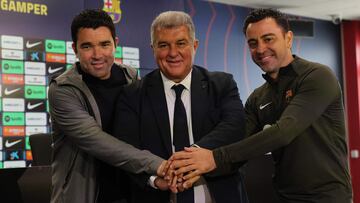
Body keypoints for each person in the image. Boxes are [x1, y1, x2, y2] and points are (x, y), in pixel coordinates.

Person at [170, 8, 353, 202]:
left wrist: (214, 158)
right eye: (253, 43)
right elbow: (237, 147)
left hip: (329, 198)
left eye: (268, 39)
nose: (260, 49)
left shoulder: (317, 76)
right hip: (284, 197)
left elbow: (283, 132)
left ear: (288, 38)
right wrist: (191, 169)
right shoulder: (258, 97)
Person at [113, 11, 248, 203]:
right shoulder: (132, 95)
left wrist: (189, 158)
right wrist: (155, 180)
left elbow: (234, 127)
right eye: (163, 45)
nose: (173, 53)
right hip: (156, 195)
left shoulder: (222, 84)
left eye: (181, 43)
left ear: (195, 45)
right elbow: (126, 151)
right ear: (153, 49)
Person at [48, 9, 168, 203]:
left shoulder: (131, 78)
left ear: (116, 44)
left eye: (104, 44)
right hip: (84, 194)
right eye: (87, 46)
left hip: (131, 190)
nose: (97, 55)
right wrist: (159, 165)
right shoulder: (62, 90)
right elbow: (98, 142)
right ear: (74, 49)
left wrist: (152, 178)